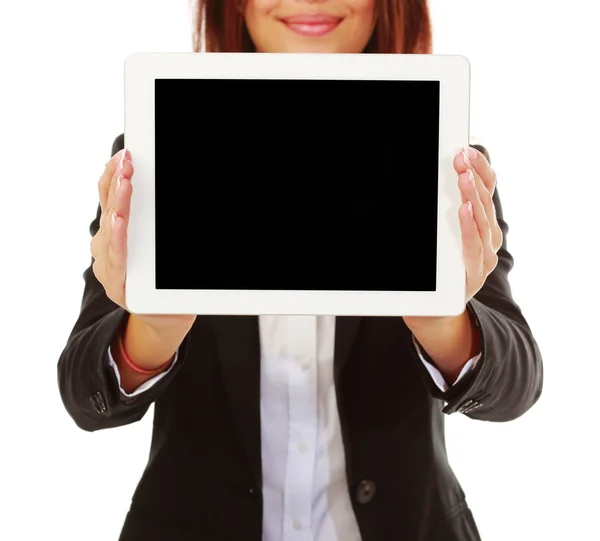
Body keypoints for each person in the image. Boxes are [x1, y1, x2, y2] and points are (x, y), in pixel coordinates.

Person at [57, 1, 543, 540]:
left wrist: (444, 326)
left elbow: (517, 385)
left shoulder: (442, 159)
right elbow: (84, 396)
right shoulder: (159, 150)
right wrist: (150, 333)